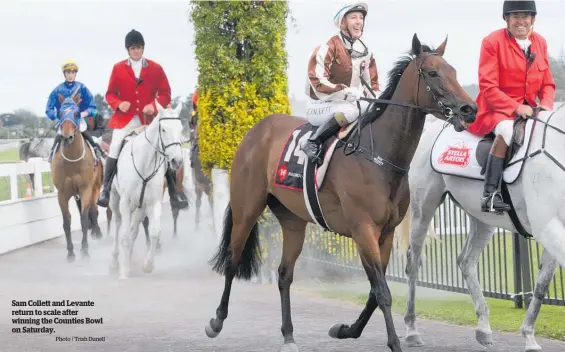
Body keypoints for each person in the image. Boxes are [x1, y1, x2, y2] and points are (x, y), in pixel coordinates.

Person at [466, 0, 555, 214]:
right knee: (507, 131)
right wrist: (515, 107)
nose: (521, 21)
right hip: (495, 111)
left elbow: (548, 84)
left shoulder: (540, 42)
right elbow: (488, 87)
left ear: (533, 19)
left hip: (532, 110)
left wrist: (545, 105)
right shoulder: (492, 42)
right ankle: (490, 194)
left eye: (525, 16)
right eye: (515, 16)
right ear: (507, 19)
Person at [96, 29, 189, 210]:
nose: (136, 51)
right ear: (128, 50)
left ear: (143, 48)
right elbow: (110, 94)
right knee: (115, 144)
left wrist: (154, 106)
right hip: (126, 119)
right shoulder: (118, 68)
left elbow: (166, 93)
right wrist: (118, 103)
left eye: (139, 47)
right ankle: (106, 189)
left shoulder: (155, 68)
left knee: (164, 146)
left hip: (149, 119)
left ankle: (174, 193)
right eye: (132, 48)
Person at [302, 2, 379, 165]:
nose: (359, 21)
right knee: (352, 110)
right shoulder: (327, 47)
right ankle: (312, 141)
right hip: (319, 104)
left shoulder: (366, 51)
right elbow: (317, 82)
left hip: (345, 102)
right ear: (343, 22)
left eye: (361, 17)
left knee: (372, 108)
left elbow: (372, 85)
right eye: (353, 17)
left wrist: (379, 99)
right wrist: (345, 92)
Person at [45, 60, 106, 162]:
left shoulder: (82, 88)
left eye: (73, 73)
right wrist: (57, 115)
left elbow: (92, 106)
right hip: (64, 120)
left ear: (75, 74)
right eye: (68, 73)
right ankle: (52, 152)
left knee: (82, 128)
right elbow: (48, 109)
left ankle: (96, 149)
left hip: (77, 118)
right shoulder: (57, 90)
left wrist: (83, 113)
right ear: (64, 74)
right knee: (60, 132)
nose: (70, 75)